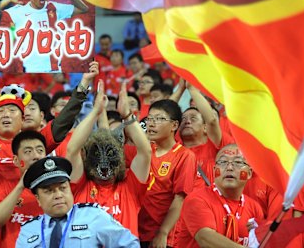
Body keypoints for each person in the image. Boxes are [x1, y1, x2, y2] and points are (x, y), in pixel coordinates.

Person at [66, 81, 151, 236]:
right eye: (97, 154)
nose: (104, 162)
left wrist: (126, 115)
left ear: (120, 158)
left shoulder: (131, 188)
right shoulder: (79, 186)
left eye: (111, 154)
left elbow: (145, 151)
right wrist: (95, 112)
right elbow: (72, 150)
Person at [16, 156, 140, 247]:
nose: (58, 195)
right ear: (38, 199)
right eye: (49, 191)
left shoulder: (93, 215)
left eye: (63, 188)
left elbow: (129, 244)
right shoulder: (29, 230)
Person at [177, 144, 263, 247]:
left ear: (249, 173)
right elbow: (206, 239)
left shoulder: (254, 208)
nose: (229, 167)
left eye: (238, 162)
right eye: (223, 162)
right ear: (214, 171)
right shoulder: (197, 199)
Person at [138, 99, 196, 248]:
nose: (151, 123)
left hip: (163, 237)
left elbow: (180, 199)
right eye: (150, 119)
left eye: (159, 119)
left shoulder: (184, 155)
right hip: (136, 231)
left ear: (174, 125)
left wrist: (163, 232)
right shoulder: (144, 151)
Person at [0, 0, 89, 73]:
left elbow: (84, 9)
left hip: (54, 69)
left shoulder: (54, 7)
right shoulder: (18, 11)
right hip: (30, 69)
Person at [0, 131, 47, 247]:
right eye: (28, 151)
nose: (36, 156)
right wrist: (21, 186)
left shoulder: (55, 187)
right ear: (16, 160)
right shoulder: (3, 186)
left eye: (40, 150)